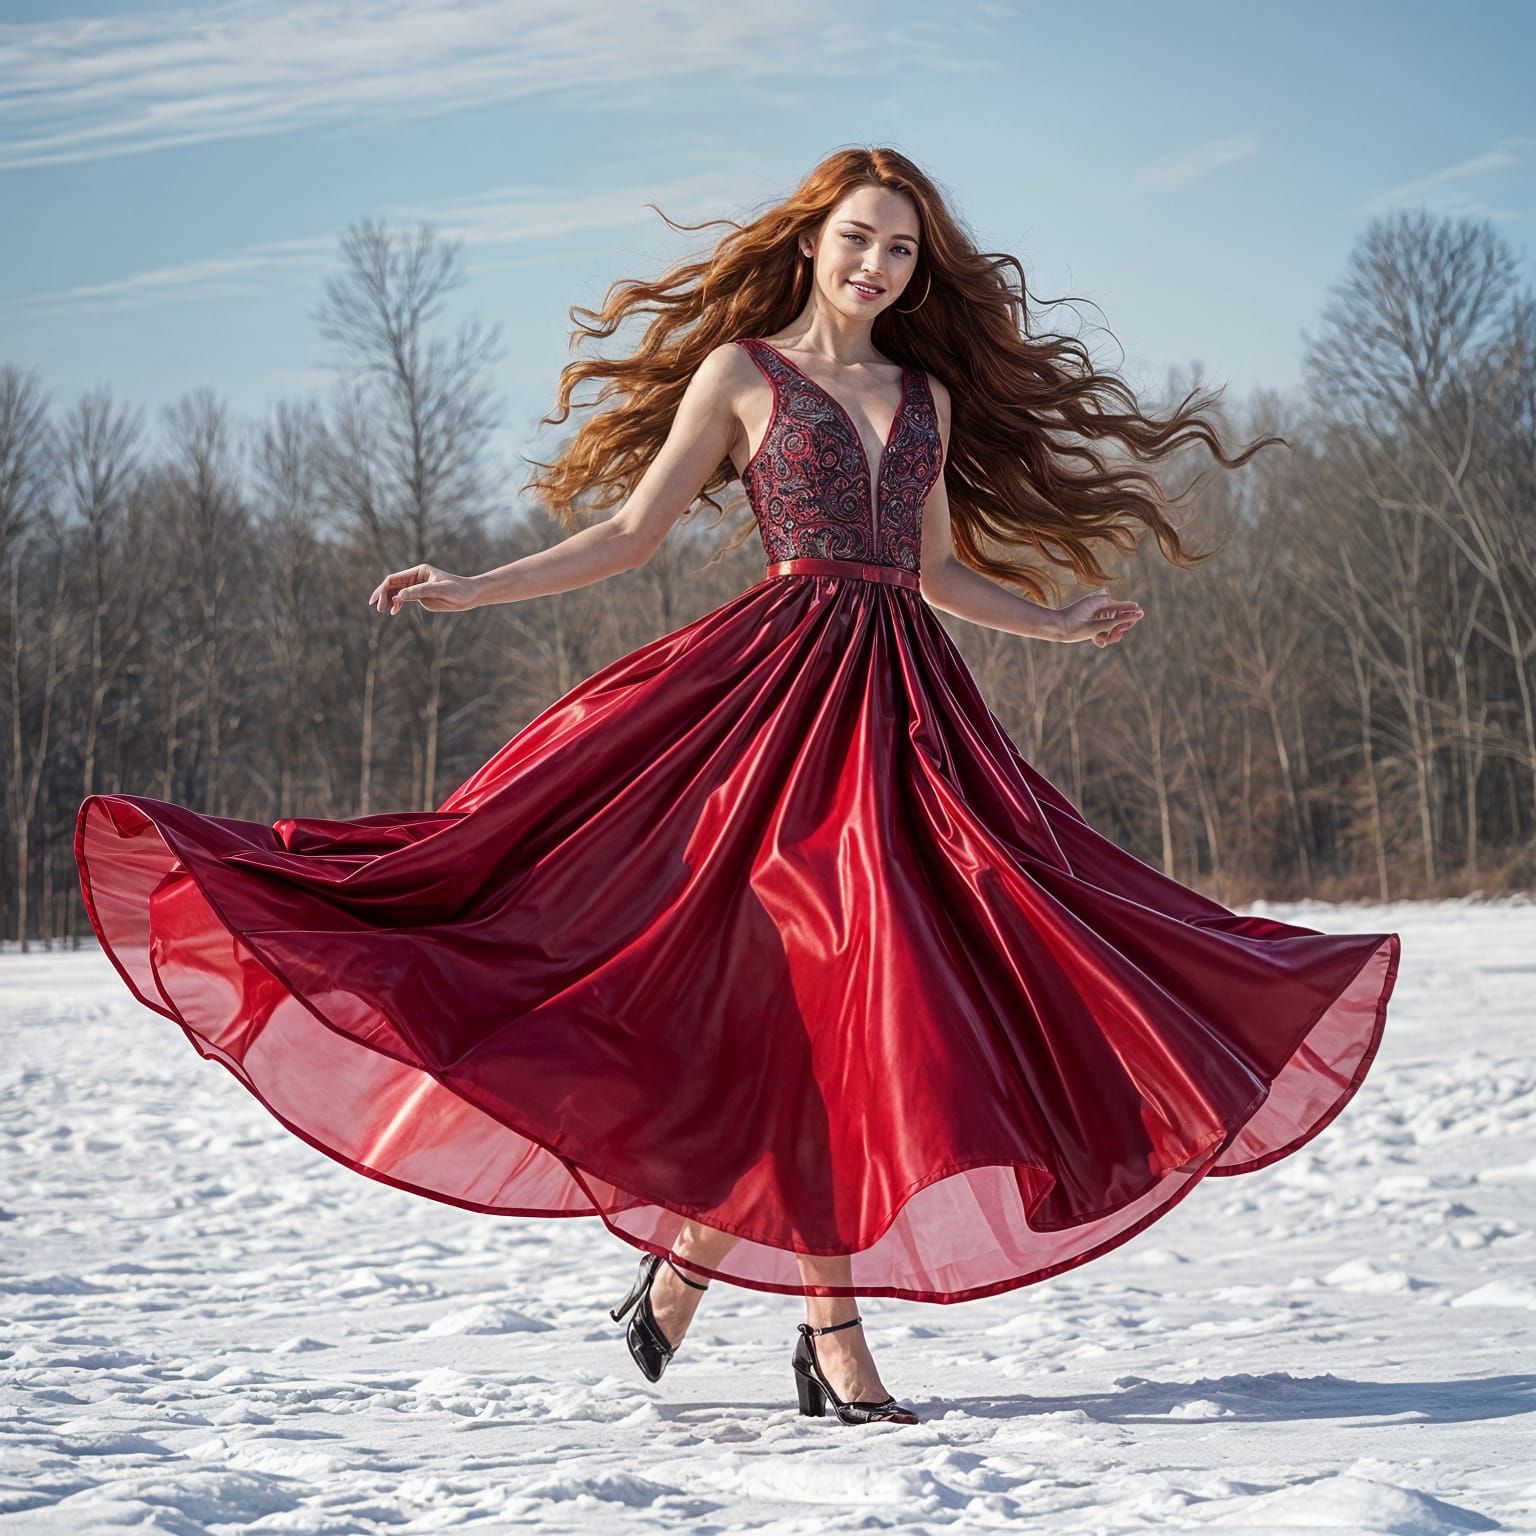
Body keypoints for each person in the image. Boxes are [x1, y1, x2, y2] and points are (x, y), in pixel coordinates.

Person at [76, 147, 1401, 1429]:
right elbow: (629, 532)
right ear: (813, 238)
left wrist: (1054, 623)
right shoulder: (743, 374)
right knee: (800, 995)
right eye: (859, 238)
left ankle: (696, 1264)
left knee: (906, 987)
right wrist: (475, 585)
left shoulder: (923, 397)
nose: (878, 264)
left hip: (906, 719)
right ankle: (830, 1335)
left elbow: (936, 573)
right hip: (772, 711)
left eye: (901, 248)